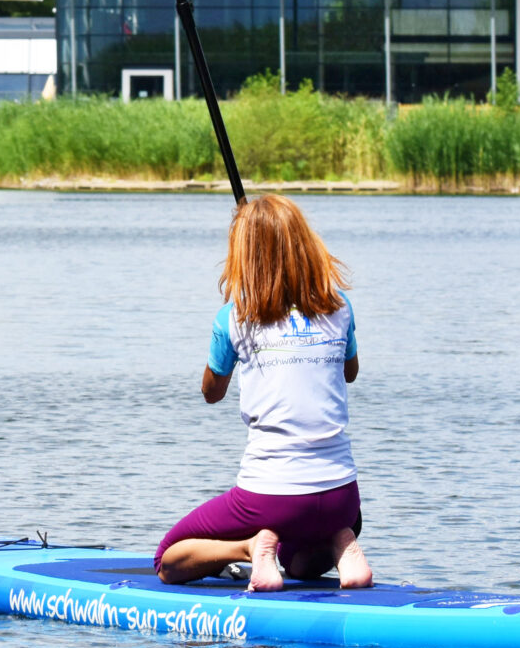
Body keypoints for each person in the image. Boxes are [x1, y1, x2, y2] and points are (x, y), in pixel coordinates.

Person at [156, 194, 372, 593]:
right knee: (300, 564)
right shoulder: (339, 305)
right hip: (344, 500)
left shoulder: (235, 316)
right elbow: (351, 372)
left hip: (270, 496)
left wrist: (234, 339)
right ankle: (342, 541)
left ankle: (251, 545)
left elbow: (211, 393)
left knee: (168, 559)